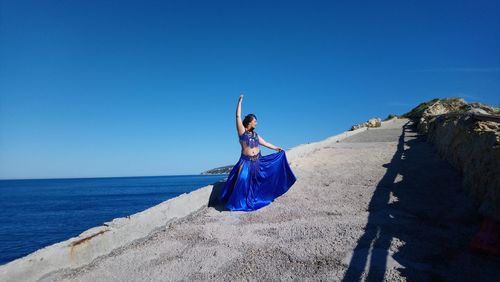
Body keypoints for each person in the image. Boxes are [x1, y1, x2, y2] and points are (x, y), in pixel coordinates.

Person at [216, 94, 297, 211]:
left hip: (258, 161)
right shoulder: (242, 132)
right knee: (243, 180)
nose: (256, 123)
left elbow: (266, 143)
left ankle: (260, 197)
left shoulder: (256, 135)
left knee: (258, 181)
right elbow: (237, 116)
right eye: (255, 121)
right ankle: (238, 203)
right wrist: (240, 101)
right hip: (246, 162)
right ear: (249, 122)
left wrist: (276, 148)